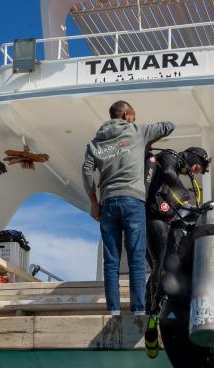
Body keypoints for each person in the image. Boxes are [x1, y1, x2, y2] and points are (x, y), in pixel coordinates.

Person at [82, 100, 174, 316]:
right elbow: (169, 125)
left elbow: (87, 171)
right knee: (136, 259)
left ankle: (113, 311)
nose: (135, 119)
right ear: (124, 115)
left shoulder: (95, 143)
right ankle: (138, 311)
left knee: (111, 262)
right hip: (133, 202)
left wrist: (94, 202)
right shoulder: (137, 131)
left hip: (108, 205)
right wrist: (146, 141)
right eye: (133, 116)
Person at [143, 146, 210, 315]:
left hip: (154, 218)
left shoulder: (172, 164)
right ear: (193, 158)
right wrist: (184, 195)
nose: (194, 173)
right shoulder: (169, 156)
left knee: (158, 266)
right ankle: (153, 310)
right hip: (153, 218)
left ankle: (150, 306)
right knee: (161, 263)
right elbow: (168, 173)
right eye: (197, 168)